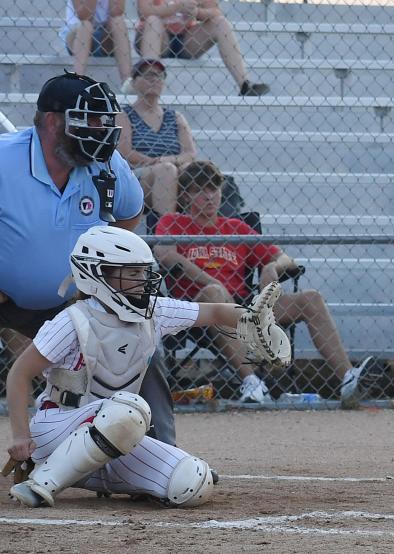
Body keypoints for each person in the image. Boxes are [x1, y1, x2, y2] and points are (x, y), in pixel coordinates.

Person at [5, 226, 290, 508]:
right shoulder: (72, 320)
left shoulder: (153, 312)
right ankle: (41, 482)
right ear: (97, 274)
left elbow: (213, 310)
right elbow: (20, 373)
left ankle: (90, 475)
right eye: (132, 273)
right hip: (57, 429)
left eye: (143, 271)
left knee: (192, 482)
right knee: (128, 410)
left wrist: (250, 319)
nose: (143, 279)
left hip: (116, 433)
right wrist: (20, 437)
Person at [0, 71, 180, 447]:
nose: (101, 131)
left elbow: (128, 217)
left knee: (139, 339)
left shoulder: (108, 165)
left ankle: (161, 453)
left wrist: (100, 280)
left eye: (105, 121)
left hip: (77, 299)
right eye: (90, 120)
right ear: (53, 121)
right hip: (5, 297)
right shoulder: (5, 161)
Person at [154, 161, 377, 406]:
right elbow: (164, 254)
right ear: (185, 196)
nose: (209, 196)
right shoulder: (173, 222)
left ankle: (347, 378)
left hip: (245, 308)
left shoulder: (236, 228)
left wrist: (272, 267)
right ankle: (253, 383)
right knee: (214, 292)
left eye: (213, 189)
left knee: (310, 298)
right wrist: (211, 281)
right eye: (199, 190)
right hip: (200, 311)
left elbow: (287, 259)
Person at [116, 59, 198, 219]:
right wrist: (156, 163)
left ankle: (195, 228)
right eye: (148, 75)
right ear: (134, 82)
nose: (154, 79)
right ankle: (166, 230)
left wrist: (165, 159)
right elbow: (125, 153)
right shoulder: (124, 115)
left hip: (169, 168)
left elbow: (190, 153)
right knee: (166, 170)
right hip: (137, 176)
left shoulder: (175, 117)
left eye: (159, 76)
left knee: (189, 169)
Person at [135, 0, 269, 96]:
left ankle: (245, 84)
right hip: (155, 38)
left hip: (186, 39)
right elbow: (144, 11)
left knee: (220, 23)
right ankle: (149, 82)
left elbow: (215, 10)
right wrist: (177, 7)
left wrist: (197, 12)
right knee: (153, 21)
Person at [59, 0, 134, 91]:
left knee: (118, 21)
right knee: (86, 25)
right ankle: (77, 79)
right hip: (78, 35)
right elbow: (85, 15)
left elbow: (117, 11)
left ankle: (127, 80)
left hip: (104, 36)